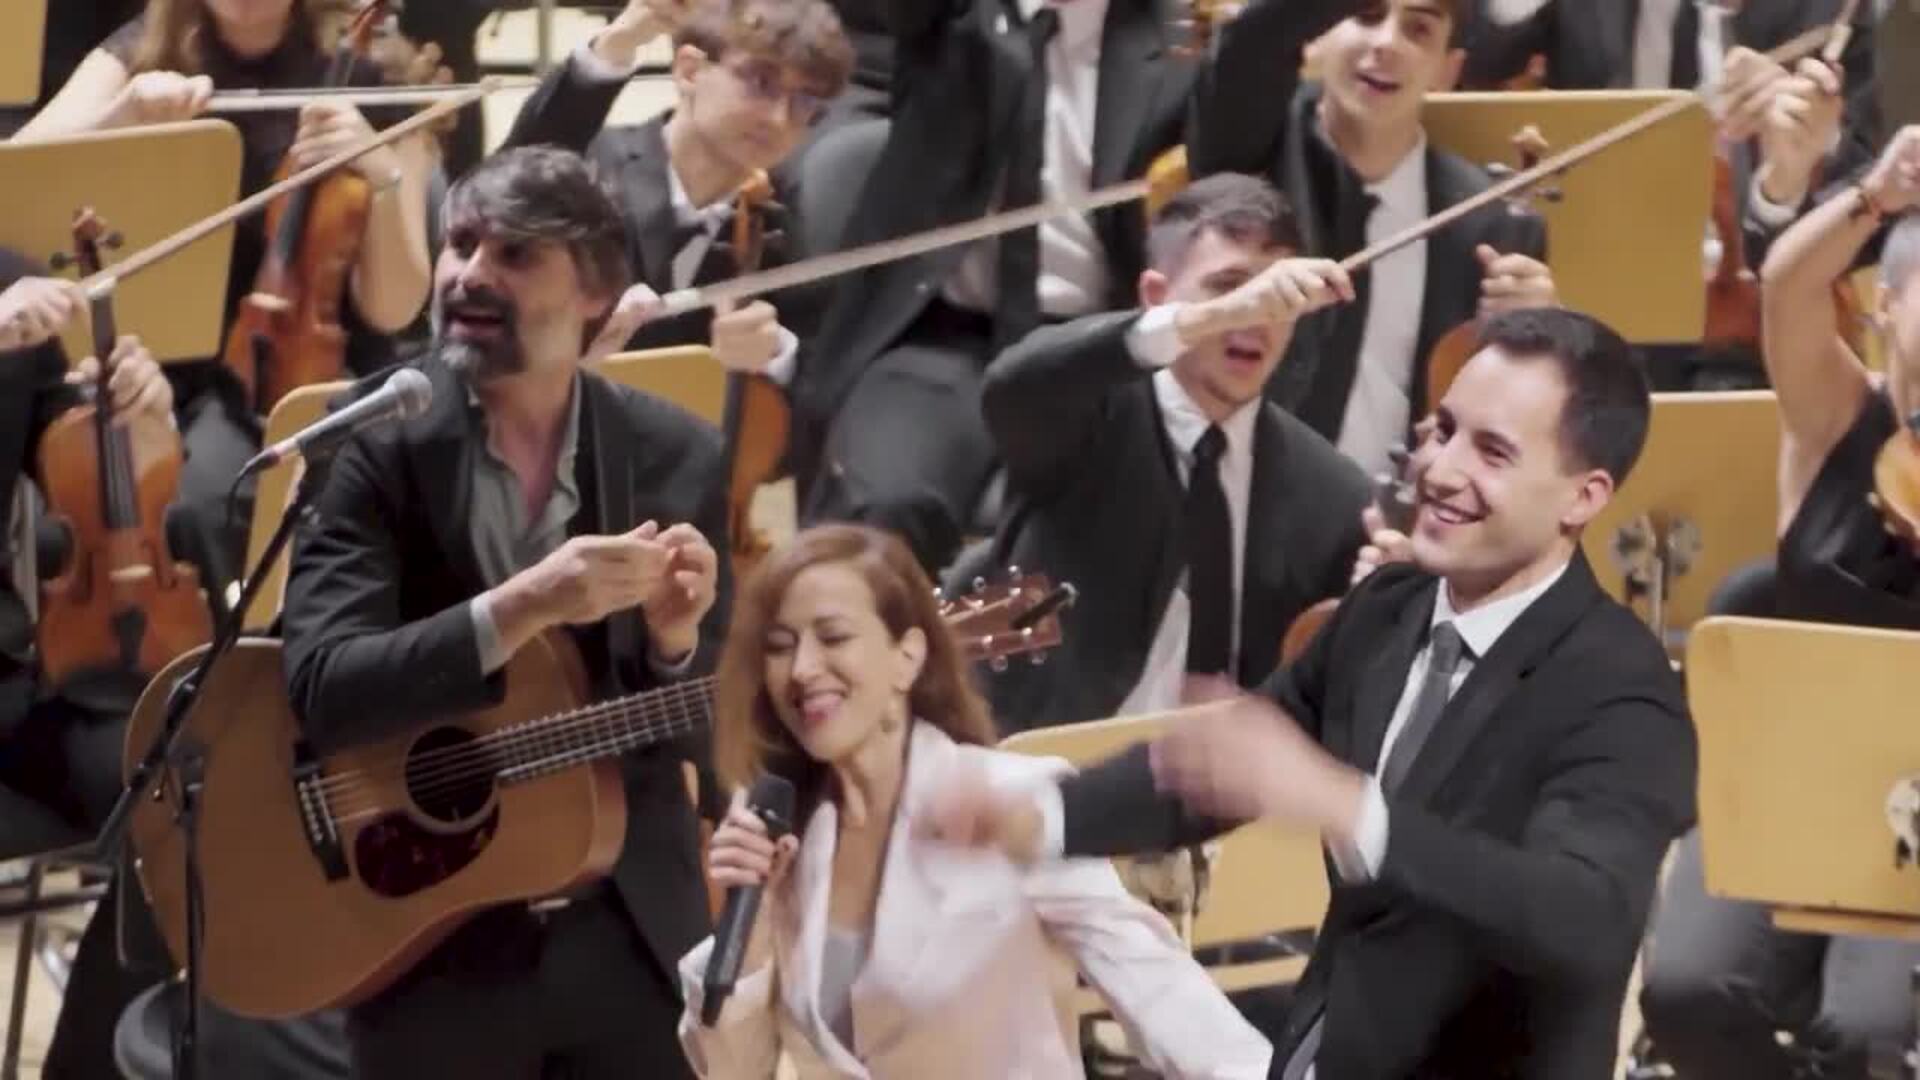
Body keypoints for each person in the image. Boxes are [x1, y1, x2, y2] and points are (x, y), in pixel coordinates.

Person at [928, 306, 1698, 1078]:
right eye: (1444, 430)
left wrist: (1351, 809)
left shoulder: (1623, 693)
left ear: (1583, 498)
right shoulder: (1387, 609)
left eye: (1492, 451)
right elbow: (1228, 765)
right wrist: (1042, 817)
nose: (1439, 470)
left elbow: (1583, 917)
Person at [278, 144, 729, 1077]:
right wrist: (523, 606)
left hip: (626, 918)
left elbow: (707, 737)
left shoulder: (675, 452)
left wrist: (677, 645)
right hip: (427, 915)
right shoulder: (372, 439)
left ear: (597, 294)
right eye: (460, 244)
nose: (469, 273)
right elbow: (323, 687)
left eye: (514, 254)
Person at [679, 522, 1273, 1078]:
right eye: (779, 647)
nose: (802, 669)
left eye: (833, 637)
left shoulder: (1015, 800)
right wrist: (751, 927)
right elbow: (734, 1070)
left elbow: (1155, 985)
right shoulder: (784, 834)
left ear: (907, 656)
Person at [1638, 126, 1920, 1080]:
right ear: (1888, 304)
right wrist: (1875, 195)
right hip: (1785, 776)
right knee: (1686, 992)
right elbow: (1791, 285)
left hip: (1915, 798)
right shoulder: (1836, 413)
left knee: (1872, 1032)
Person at [16, 0, 439, 595]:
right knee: (78, 516)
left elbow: (395, 308)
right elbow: (15, 185)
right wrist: (118, 116)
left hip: (288, 379)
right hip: (142, 367)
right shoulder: (141, 54)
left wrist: (378, 166)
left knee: (197, 509)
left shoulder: (377, 78)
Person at [794, 0, 1201, 572]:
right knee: (879, 510)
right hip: (943, 340)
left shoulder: (1181, 39)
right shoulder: (952, 19)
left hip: (1090, 350)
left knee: (1120, 533)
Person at [968, 172, 1371, 732]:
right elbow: (1014, 382)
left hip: (1221, 773)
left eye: (1273, 294)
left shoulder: (1335, 495)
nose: (1256, 316)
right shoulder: (1083, 414)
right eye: (1228, 286)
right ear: (1157, 297)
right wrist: (1214, 317)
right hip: (1043, 754)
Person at [1187, 0, 1557, 478]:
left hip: (1399, 510)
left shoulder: (1494, 224)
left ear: (1447, 71)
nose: (1386, 43)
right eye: (1365, 17)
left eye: (1418, 30)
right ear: (1318, 36)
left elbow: (1504, 423)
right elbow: (1249, 46)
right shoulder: (1251, 156)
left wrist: (1536, 341)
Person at [502, 0, 853, 380]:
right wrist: (614, 46)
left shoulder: (787, 228)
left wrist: (775, 356)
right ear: (690, 71)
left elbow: (823, 376)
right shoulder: (584, 166)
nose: (778, 118)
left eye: (805, 102)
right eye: (761, 82)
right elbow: (504, 193)